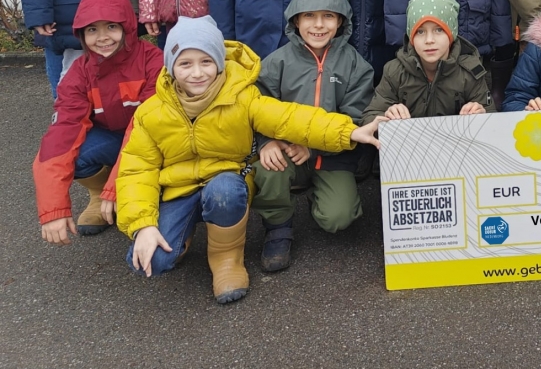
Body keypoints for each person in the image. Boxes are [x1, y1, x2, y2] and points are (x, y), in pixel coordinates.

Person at [116, 16, 386, 303]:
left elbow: (291, 118)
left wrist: (350, 132)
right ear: (171, 67)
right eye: (185, 63)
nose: (197, 73)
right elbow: (136, 170)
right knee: (152, 261)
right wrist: (143, 225)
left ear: (219, 62)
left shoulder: (242, 97)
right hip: (178, 190)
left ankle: (227, 259)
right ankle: (182, 233)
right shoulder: (150, 113)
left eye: (206, 62)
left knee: (225, 193)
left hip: (226, 184)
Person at [252, 0, 377, 272]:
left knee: (338, 218)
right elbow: (257, 107)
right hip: (285, 151)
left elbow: (355, 118)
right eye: (309, 15)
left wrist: (313, 149)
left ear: (340, 21)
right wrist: (266, 141)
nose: (318, 25)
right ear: (295, 20)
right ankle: (277, 226)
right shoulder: (276, 63)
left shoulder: (356, 65)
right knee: (267, 170)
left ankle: (317, 192)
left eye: (328, 16)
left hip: (330, 156)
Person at [33, 0, 163, 244]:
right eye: (92, 29)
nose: (102, 37)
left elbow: (145, 129)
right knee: (76, 155)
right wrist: (53, 209)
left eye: (111, 27)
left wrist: (117, 186)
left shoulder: (153, 61)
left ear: (127, 28)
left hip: (156, 143)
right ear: (81, 34)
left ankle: (138, 197)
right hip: (113, 139)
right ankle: (99, 197)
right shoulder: (79, 72)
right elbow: (60, 137)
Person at [363, 0, 495, 121]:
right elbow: (369, 117)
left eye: (439, 30)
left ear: (451, 33)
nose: (429, 40)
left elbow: (492, 121)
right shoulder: (394, 72)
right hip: (409, 141)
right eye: (420, 32)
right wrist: (386, 115)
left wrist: (481, 114)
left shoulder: (470, 72)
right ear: (411, 37)